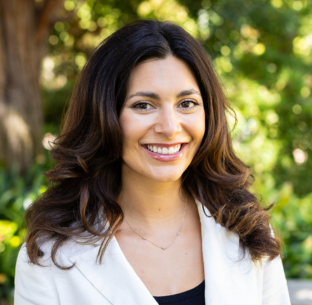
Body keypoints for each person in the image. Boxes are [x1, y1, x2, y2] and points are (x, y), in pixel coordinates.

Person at [14, 19, 291, 305]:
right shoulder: (48, 260)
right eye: (143, 105)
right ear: (103, 116)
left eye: (187, 103)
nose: (170, 127)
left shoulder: (249, 232)